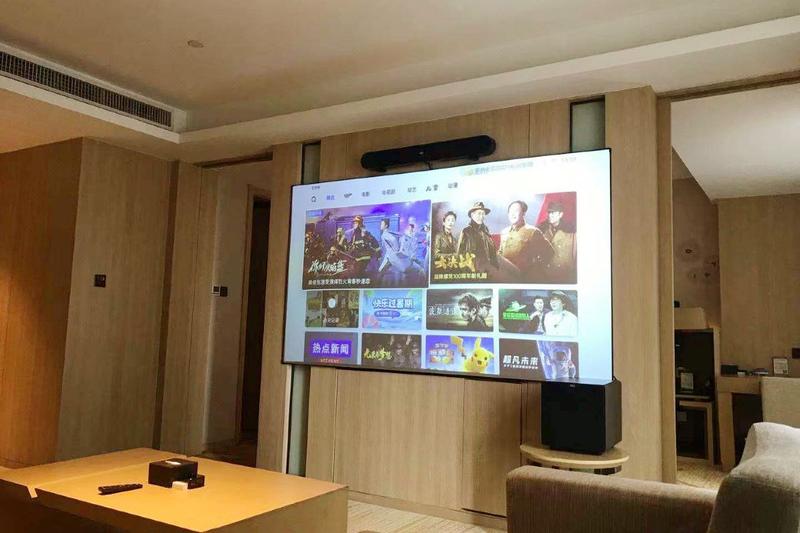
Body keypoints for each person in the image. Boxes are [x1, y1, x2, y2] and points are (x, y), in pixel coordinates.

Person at [498, 200, 554, 281]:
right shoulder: (504, 232)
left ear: (523, 213)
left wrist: (535, 269)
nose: (512, 214)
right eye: (510, 212)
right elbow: (500, 253)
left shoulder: (533, 232)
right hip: (507, 277)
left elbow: (549, 252)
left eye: (516, 211)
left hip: (524, 278)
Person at [537, 200, 577, 283]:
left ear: (560, 215)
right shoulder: (542, 230)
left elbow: (574, 255)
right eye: (549, 212)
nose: (550, 215)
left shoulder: (571, 232)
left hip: (564, 276)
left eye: (553, 213)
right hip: (544, 275)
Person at [457, 201, 498, 270]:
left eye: (483, 214)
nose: (481, 216)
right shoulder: (466, 231)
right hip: (472, 271)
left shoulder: (486, 232)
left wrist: (495, 267)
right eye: (479, 213)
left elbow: (492, 253)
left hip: (487, 271)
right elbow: (459, 255)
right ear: (472, 215)